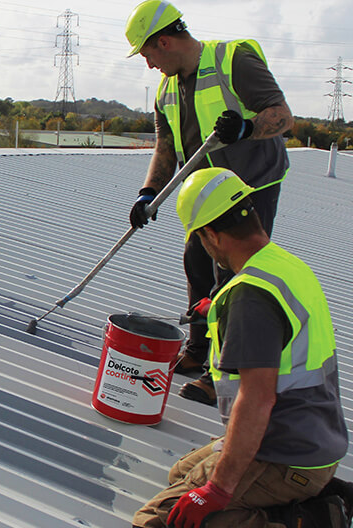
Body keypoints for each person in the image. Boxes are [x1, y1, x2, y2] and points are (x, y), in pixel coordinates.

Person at [131, 167, 353, 528]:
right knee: (181, 472)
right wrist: (218, 307)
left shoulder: (251, 299)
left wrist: (217, 491)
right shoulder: (281, 265)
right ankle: (328, 496)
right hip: (315, 442)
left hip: (284, 453)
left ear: (213, 235)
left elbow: (256, 400)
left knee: (159, 525)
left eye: (199, 237)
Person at [125, 0, 294, 406]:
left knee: (234, 279)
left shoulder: (233, 59)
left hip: (250, 189)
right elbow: (166, 146)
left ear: (164, 41)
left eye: (148, 55)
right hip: (205, 192)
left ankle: (221, 375)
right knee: (198, 264)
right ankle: (199, 350)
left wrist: (246, 128)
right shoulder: (167, 89)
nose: (149, 66)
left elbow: (283, 117)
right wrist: (148, 193)